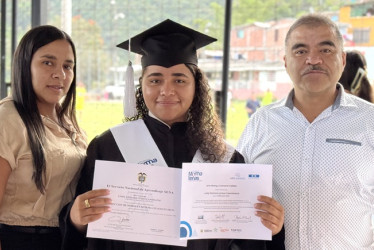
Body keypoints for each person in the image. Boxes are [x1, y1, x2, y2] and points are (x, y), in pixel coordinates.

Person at [59, 19, 285, 250]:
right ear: (141, 86)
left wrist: (272, 227)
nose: (167, 90)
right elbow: (88, 231)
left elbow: (245, 241)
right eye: (155, 80)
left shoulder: (226, 158)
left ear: (196, 87)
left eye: (179, 79)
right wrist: (76, 219)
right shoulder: (108, 147)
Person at [237, 13, 374, 250]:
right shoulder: (261, 123)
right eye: (300, 51)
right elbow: (236, 194)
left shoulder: (369, 122)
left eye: (325, 50)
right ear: (285, 62)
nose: (313, 59)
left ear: (342, 59)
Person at [0, 25, 87, 250]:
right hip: (18, 240)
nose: (60, 74)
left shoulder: (67, 120)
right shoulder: (7, 119)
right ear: (24, 65)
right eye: (48, 62)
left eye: (68, 66)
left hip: (63, 239)